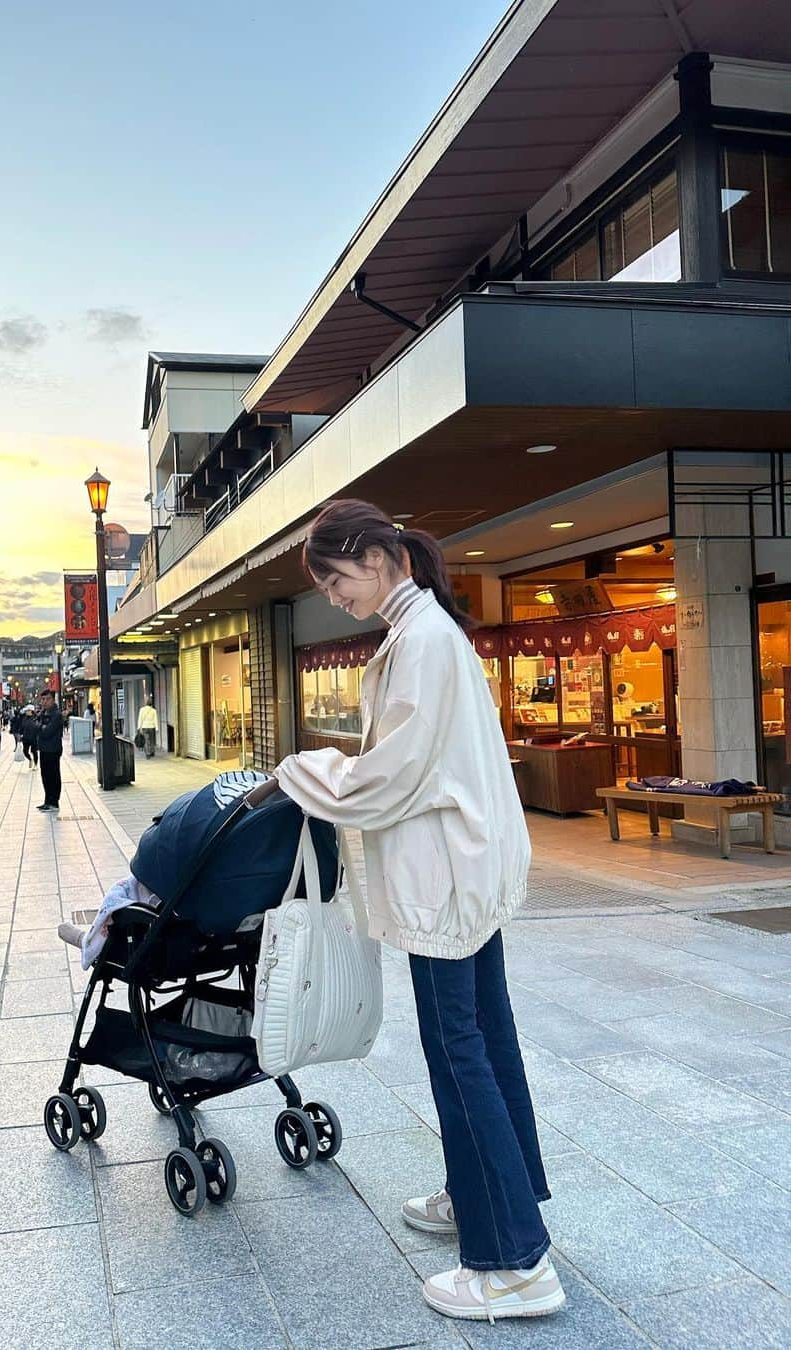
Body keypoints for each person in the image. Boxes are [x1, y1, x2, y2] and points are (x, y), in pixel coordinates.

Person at [270, 499, 562, 1324]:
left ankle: (512, 1264)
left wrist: (303, 770)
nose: (336, 598)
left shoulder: (423, 641)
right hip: (467, 868)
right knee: (486, 1037)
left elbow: (391, 777)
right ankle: (500, 1199)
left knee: (458, 1047)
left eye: (336, 579)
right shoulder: (427, 632)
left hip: (446, 875)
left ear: (371, 555)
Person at [36, 689, 65, 812]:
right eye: (42, 699)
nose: (44, 702)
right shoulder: (42, 713)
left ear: (53, 700)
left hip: (53, 749)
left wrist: (40, 728)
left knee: (53, 775)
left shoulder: (56, 714)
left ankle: (54, 801)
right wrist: (40, 727)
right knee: (45, 776)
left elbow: (47, 732)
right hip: (43, 748)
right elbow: (35, 727)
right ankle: (47, 800)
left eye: (47, 699)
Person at [136, 694, 159, 758]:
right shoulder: (154, 710)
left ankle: (148, 753)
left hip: (144, 727)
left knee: (146, 740)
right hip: (152, 727)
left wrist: (138, 727)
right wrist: (157, 728)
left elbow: (140, 719)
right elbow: (155, 719)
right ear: (151, 703)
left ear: (145, 703)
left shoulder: (142, 710)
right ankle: (152, 752)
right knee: (152, 740)